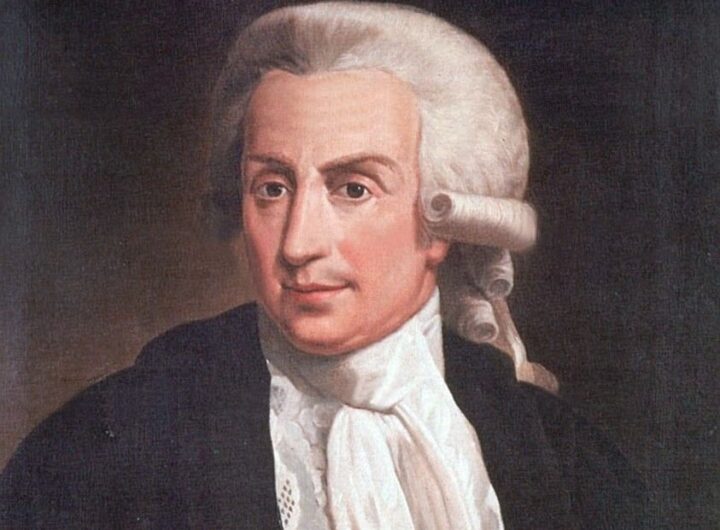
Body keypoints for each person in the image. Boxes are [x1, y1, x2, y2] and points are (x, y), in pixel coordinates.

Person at [1, 3, 649, 528]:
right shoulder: (107, 445)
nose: (297, 244)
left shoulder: (564, 459)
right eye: (272, 188)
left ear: (441, 222)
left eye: (353, 189)